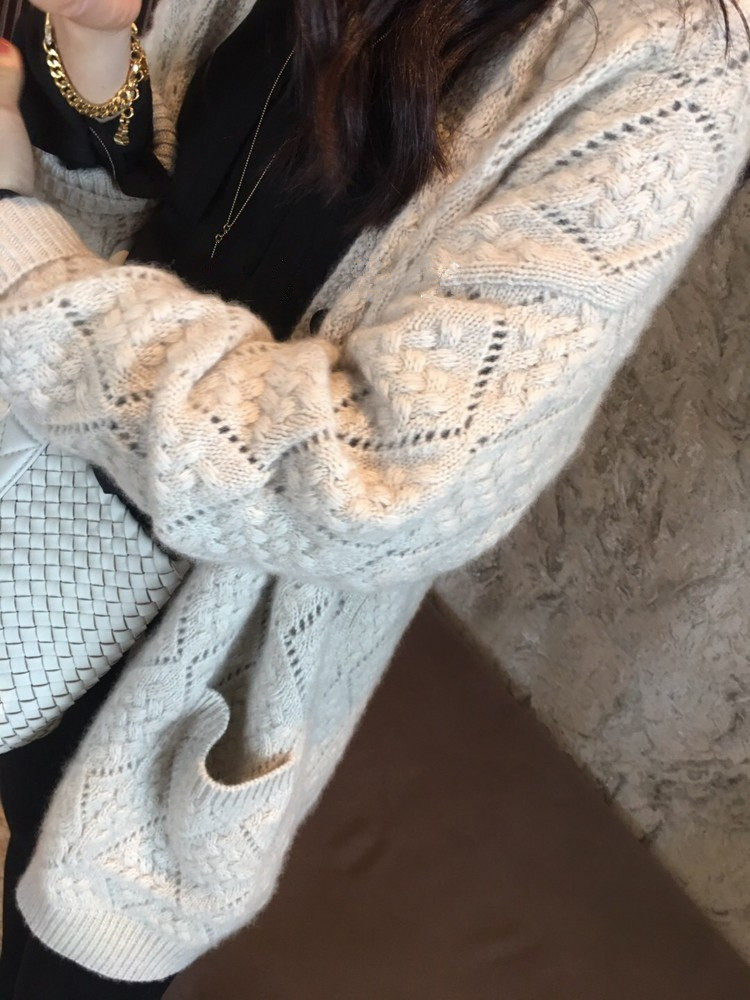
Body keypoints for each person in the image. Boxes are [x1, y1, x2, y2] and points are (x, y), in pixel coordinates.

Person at [0, 0, 748, 995]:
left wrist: (23, 265)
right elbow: (169, 215)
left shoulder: (682, 61)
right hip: (43, 509)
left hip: (196, 667)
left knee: (65, 953)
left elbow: (383, 480)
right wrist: (93, 58)